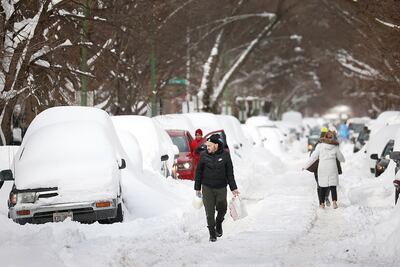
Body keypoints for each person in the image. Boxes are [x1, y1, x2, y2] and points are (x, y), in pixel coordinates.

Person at [194, 134, 240, 242]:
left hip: (221, 188)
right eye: (207, 146)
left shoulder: (225, 155)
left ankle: (219, 222)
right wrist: (197, 187)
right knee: (209, 212)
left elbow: (230, 174)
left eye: (209, 145)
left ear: (216, 145)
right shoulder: (203, 155)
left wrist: (233, 188)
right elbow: (198, 172)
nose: (207, 148)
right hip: (207, 188)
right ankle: (212, 234)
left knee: (222, 208)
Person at [304, 130, 345, 209]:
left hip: (322, 168)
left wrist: (306, 166)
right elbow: (341, 158)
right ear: (332, 137)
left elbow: (313, 157)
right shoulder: (335, 147)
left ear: (324, 137)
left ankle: (321, 204)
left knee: (322, 186)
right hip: (332, 168)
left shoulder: (320, 146)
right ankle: (334, 203)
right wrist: (343, 160)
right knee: (333, 186)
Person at [310, 127, 331, 207]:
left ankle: (322, 201)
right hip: (324, 167)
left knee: (320, 185)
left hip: (320, 167)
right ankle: (324, 198)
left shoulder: (318, 144)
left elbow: (311, 156)